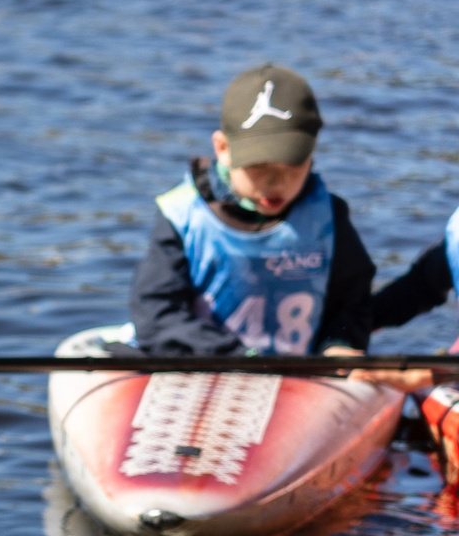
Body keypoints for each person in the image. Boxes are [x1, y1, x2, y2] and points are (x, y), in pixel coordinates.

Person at [126, 64, 402, 375]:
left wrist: (339, 343)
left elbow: (351, 305)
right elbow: (157, 314)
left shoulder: (328, 217)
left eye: (292, 166)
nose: (276, 183)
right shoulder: (181, 215)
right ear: (223, 149)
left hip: (300, 381)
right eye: (258, 166)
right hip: (206, 369)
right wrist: (240, 358)